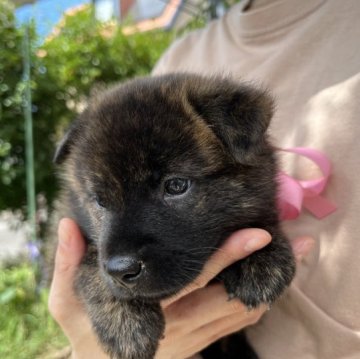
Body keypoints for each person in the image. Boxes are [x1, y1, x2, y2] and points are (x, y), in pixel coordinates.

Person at [49, 0, 360, 358]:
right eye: (102, 201)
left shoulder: (205, 111)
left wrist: (262, 246)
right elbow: (74, 248)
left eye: (175, 186)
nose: (122, 256)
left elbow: (247, 202)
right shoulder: (181, 53)